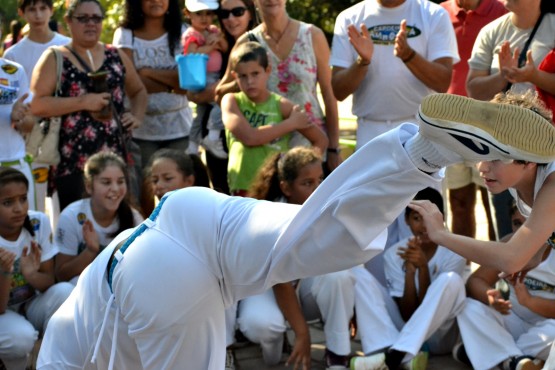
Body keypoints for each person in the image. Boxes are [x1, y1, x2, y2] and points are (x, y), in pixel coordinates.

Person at [36, 92, 555, 370]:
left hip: (158, 276)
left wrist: (441, 237)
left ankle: (427, 152)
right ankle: (421, 152)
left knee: (321, 237)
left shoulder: (65, 344)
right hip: (187, 215)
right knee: (315, 228)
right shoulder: (65, 329)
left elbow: (515, 255)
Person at [238, 147, 356, 369]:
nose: (318, 189)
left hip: (303, 288)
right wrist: (303, 334)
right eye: (307, 183)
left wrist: (348, 307)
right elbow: (281, 282)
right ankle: (277, 349)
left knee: (339, 277)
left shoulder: (329, 208)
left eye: (320, 179)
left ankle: (338, 355)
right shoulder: (271, 215)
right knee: (261, 325)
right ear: (285, 187)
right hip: (269, 287)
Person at [31, 0, 147, 211]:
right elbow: (37, 104)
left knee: (123, 227)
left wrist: (136, 116)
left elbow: (138, 91)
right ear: (68, 22)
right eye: (82, 18)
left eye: (96, 18)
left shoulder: (115, 55)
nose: (90, 24)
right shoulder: (55, 57)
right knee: (80, 225)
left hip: (117, 158)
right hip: (74, 161)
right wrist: (83, 102)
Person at [216, 0, 341, 174]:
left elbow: (329, 94)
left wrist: (334, 147)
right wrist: (246, 78)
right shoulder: (248, 42)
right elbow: (220, 93)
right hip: (266, 152)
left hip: (311, 145)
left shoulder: (312, 35)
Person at [465, 0, 555, 239]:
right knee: (507, 224)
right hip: (500, 151)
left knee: (545, 234)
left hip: (547, 150)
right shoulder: (490, 31)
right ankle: (510, 274)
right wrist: (503, 78)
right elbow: (473, 89)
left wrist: (535, 76)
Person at [350, 188, 466, 370]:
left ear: (440, 218)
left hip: (441, 337)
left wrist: (423, 269)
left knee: (450, 280)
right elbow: (407, 315)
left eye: (428, 218)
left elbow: (432, 310)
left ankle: (393, 358)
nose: (423, 226)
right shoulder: (395, 254)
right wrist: (411, 272)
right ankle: (387, 350)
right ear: (406, 221)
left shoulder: (456, 251)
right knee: (358, 276)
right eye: (416, 218)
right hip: (406, 331)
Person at [330, 0, 459, 150]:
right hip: (369, 130)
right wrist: (362, 61)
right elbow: (338, 91)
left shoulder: (433, 14)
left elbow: (442, 82)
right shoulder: (349, 18)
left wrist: (409, 56)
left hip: (420, 129)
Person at [112, 0, 193, 211]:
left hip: (179, 128)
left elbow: (187, 83)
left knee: (183, 194)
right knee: (145, 193)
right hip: (141, 132)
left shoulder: (184, 31)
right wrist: (169, 83)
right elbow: (129, 84)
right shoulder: (125, 34)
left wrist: (146, 73)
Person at [453, 204, 552, 370]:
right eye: (517, 223)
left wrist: (530, 301)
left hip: (546, 329)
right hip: (512, 320)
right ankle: (517, 362)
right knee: (468, 307)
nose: (522, 230)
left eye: (529, 222)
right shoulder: (509, 244)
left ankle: (494, 354)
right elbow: (475, 281)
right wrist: (490, 296)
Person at [221, 41, 328, 195]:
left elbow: (321, 140)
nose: (250, 81)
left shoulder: (282, 106)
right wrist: (290, 124)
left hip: (274, 190)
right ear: (234, 76)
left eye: (255, 74)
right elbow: (249, 138)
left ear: (268, 70)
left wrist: (302, 171)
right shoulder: (231, 101)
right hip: (242, 189)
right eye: (242, 76)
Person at [440, 0, 506, 245]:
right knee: (458, 201)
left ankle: (494, 273)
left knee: (494, 203)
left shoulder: (502, 11)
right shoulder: (440, 13)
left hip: (489, 125)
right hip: (449, 125)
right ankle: (462, 271)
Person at [0, 167, 73, 370]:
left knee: (66, 292)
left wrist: (31, 274)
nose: (18, 208)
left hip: (30, 304)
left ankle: (45, 355)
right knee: (20, 339)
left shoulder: (37, 222)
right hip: (3, 312)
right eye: (8, 202)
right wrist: (6, 272)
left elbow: (49, 280)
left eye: (23, 198)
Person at [3, 0, 72, 215]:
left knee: (66, 195)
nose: (38, 15)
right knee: (36, 199)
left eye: (43, 8)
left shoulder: (68, 45)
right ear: (22, 13)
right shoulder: (13, 55)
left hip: (68, 129)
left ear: (52, 11)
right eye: (32, 9)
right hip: (32, 136)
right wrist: (20, 118)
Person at [186, 0, 259, 194]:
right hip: (216, 136)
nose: (231, 19)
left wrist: (215, 91)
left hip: (255, 130)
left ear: (250, 13)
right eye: (224, 14)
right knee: (221, 195)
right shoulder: (214, 42)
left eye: (237, 12)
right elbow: (192, 91)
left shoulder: (260, 42)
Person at [54, 152, 143, 285]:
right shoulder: (71, 216)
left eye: (120, 181)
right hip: (84, 290)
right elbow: (61, 275)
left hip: (118, 289)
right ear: (89, 186)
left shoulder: (134, 218)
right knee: (65, 288)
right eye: (106, 182)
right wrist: (90, 251)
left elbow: (140, 267)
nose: (115, 188)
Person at [182, 0, 228, 158]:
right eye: (199, 14)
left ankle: (193, 146)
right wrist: (211, 47)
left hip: (213, 76)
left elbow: (225, 47)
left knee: (200, 114)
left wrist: (218, 40)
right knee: (221, 102)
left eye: (208, 13)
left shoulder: (213, 30)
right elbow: (191, 53)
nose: (204, 18)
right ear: (187, 14)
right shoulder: (191, 34)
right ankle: (212, 137)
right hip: (201, 77)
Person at [0, 56, 37, 211]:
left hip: (17, 165)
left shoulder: (15, 70)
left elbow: (29, 124)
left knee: (26, 227)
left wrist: (20, 119)